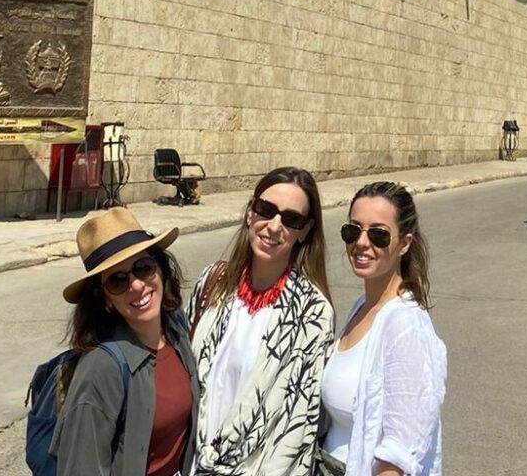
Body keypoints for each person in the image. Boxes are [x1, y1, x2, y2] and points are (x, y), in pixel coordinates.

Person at [186, 168, 334, 476]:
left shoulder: (312, 313)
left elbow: (297, 430)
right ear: (250, 212)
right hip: (189, 463)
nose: (275, 226)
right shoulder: (213, 282)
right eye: (266, 210)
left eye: (291, 219)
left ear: (304, 231)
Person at [50, 208, 198, 476]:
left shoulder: (176, 330)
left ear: (160, 269)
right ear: (105, 298)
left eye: (143, 267)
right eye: (118, 281)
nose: (137, 285)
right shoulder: (101, 369)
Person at [319, 182, 446, 476]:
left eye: (378, 234)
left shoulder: (406, 324)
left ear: (404, 243)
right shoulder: (362, 306)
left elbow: (399, 455)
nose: (362, 243)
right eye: (353, 230)